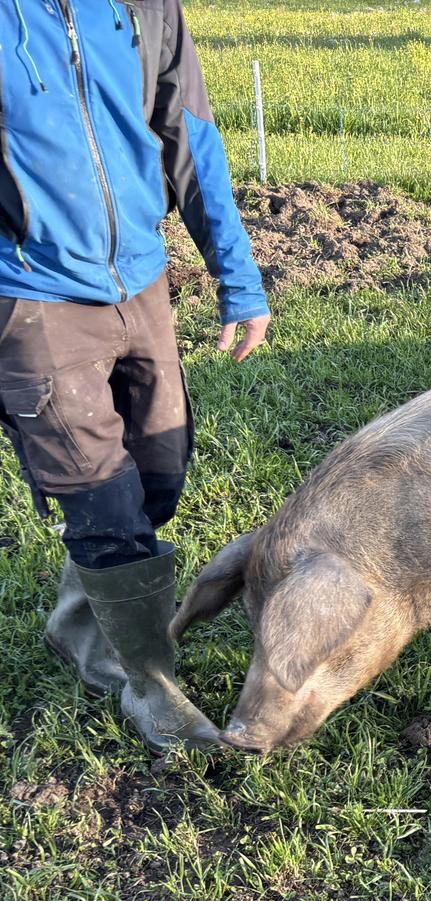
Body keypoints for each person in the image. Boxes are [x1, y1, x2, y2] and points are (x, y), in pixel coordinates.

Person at [1, 0, 269, 749]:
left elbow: (192, 136)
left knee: (158, 475)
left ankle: (79, 625)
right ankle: (149, 686)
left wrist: (237, 275)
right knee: (103, 498)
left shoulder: (146, 7)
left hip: (142, 280)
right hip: (31, 295)